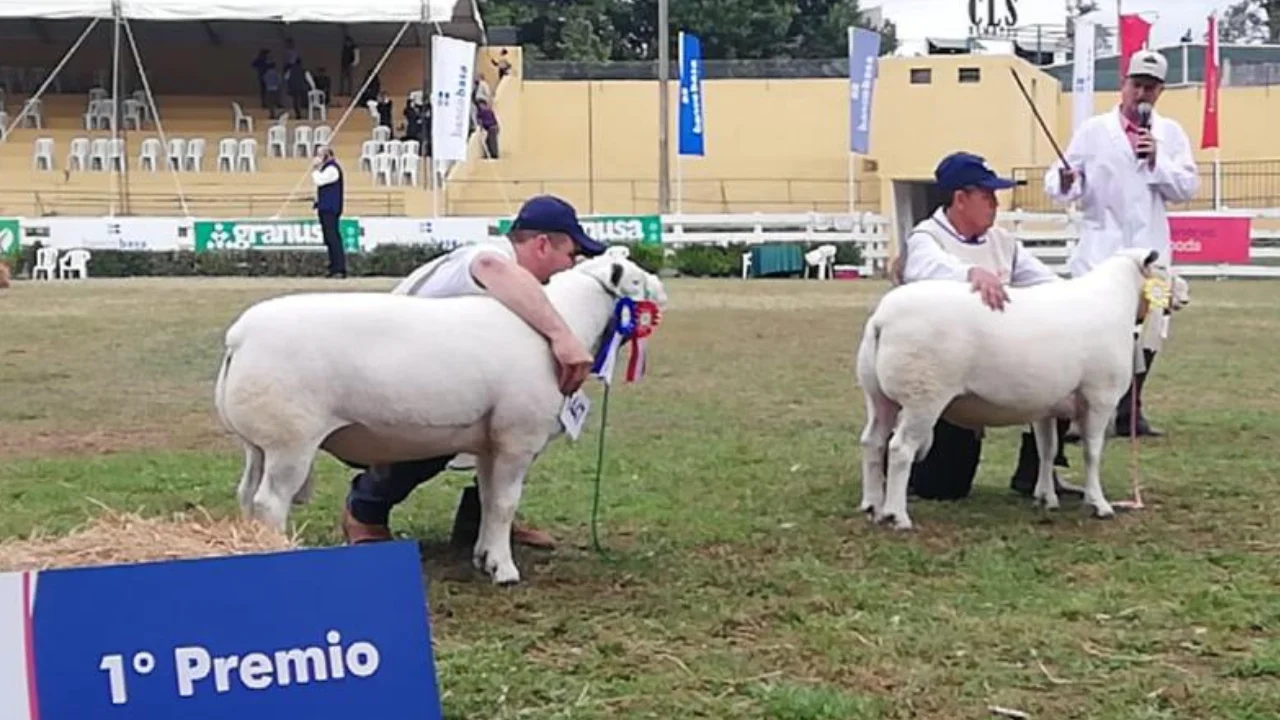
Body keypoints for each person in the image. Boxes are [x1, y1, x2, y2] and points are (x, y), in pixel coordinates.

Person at [340, 194, 609, 549]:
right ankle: (364, 511)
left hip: (422, 372)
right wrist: (563, 336)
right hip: (389, 385)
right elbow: (489, 267)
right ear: (543, 244)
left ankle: (485, 520)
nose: (570, 266)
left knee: (514, 422)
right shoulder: (491, 256)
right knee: (446, 421)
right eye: (571, 255)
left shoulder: (515, 278)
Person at [889, 151, 1082, 501]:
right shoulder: (926, 237)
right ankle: (899, 458)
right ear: (960, 199)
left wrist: (1079, 300)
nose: (995, 204)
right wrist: (970, 274)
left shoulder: (1003, 242)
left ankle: (1037, 469)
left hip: (998, 360)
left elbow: (1046, 281)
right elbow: (922, 269)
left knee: (1061, 367)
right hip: (945, 367)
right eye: (987, 195)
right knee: (944, 487)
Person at [1044, 49, 1199, 438]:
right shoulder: (1094, 131)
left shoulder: (1171, 134)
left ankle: (1132, 410)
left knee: (1153, 326)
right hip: (1102, 249)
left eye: (1150, 88)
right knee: (1092, 330)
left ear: (1160, 92)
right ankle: (1081, 412)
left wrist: (1157, 161)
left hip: (1153, 251)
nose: (1141, 95)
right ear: (1123, 86)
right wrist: (1065, 181)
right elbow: (1063, 181)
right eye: (1136, 86)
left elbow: (1186, 187)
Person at [310, 146, 346, 279]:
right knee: (329, 239)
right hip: (325, 208)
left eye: (320, 155)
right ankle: (333, 266)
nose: (318, 158)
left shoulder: (332, 169)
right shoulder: (326, 169)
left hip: (331, 209)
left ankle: (339, 268)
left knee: (333, 238)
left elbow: (320, 181)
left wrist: (314, 169)